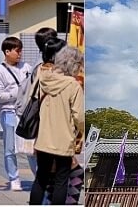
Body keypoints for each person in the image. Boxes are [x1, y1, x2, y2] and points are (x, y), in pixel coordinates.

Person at [29, 41, 85, 206]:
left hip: (43, 138)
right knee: (61, 181)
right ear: (74, 64)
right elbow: (79, 117)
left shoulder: (43, 78)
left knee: (41, 179)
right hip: (63, 140)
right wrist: (82, 132)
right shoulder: (73, 85)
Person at [0, 36, 34, 191]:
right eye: (17, 51)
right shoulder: (0, 71)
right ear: (7, 52)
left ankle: (39, 177)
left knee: (31, 147)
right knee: (10, 148)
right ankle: (14, 178)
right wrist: (16, 93)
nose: (20, 54)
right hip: (8, 111)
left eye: (20, 50)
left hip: (26, 113)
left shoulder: (27, 67)